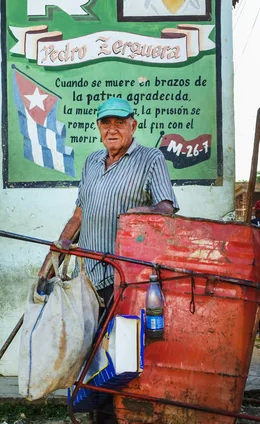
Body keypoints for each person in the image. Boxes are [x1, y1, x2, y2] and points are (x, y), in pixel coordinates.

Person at [51, 97, 179, 303]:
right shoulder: (92, 161)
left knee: (121, 335)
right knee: (84, 335)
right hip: (85, 276)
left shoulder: (151, 158)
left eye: (119, 123)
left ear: (133, 126)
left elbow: (167, 207)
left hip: (125, 277)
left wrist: (137, 214)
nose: (112, 130)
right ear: (98, 127)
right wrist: (52, 260)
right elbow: (78, 216)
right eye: (106, 123)